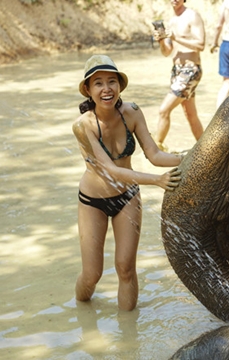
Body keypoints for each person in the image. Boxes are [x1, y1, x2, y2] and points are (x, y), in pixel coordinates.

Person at [72, 55, 183, 311]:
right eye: (98, 83)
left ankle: (128, 339)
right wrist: (157, 181)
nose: (106, 88)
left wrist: (189, 158)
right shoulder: (82, 126)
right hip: (92, 201)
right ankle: (80, 311)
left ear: (120, 86)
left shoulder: (131, 112)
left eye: (112, 81)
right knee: (92, 275)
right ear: (88, 90)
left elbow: (154, 155)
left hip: (127, 198)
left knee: (125, 268)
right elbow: (110, 170)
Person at [152, 0, 206, 152]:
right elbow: (167, 52)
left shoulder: (192, 16)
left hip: (190, 70)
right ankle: (205, 150)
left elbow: (201, 44)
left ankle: (157, 148)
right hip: (176, 70)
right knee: (190, 114)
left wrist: (175, 37)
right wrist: (162, 40)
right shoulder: (172, 20)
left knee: (164, 110)